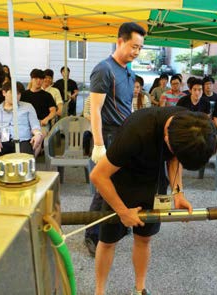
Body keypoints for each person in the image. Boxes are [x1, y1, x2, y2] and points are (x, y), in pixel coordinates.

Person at [91, 108, 217, 295]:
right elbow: (98, 176)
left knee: (144, 239)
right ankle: (99, 291)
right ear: (167, 139)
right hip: (121, 183)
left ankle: (140, 288)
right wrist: (123, 211)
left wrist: (178, 193)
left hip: (154, 183)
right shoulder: (137, 130)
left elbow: (175, 159)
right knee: (107, 240)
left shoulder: (188, 124)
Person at [84, 22, 147, 256]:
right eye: (133, 46)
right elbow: (95, 110)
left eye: (140, 48)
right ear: (120, 41)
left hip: (124, 135)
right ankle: (91, 236)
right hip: (108, 136)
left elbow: (125, 105)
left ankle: (115, 224)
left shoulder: (128, 70)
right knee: (103, 187)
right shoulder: (104, 69)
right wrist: (99, 144)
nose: (136, 52)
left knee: (120, 185)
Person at [0, 81, 43, 159]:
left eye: (18, 94)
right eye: (12, 93)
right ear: (4, 93)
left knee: (24, 161)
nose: (16, 96)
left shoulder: (28, 107)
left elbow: (35, 125)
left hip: (23, 141)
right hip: (2, 142)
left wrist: (38, 134)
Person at [21, 69, 57, 136]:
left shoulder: (47, 95)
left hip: (41, 124)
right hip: (26, 123)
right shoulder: (23, 95)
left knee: (40, 136)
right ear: (31, 79)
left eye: (41, 79)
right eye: (36, 78)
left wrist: (46, 119)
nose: (38, 81)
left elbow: (53, 111)